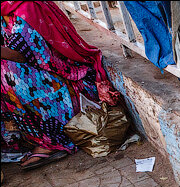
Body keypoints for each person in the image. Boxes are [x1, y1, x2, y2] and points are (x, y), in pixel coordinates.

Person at [1, 1, 119, 170]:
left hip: (57, 78)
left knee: (5, 72)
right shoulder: (5, 8)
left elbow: (25, 56)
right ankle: (15, 139)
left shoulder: (26, 8)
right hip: (32, 72)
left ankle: (50, 141)